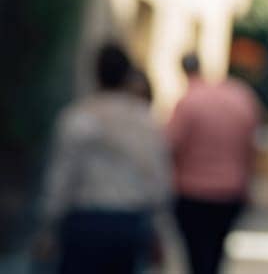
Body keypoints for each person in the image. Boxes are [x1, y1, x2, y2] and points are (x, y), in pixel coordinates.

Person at [37, 42, 172, 274]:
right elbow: (158, 179)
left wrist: (49, 225)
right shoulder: (145, 121)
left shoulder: (78, 117)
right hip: (128, 223)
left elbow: (61, 176)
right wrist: (158, 227)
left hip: (84, 222)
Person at [166, 51, 261, 274]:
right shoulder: (239, 96)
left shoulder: (187, 102)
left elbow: (171, 146)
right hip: (230, 191)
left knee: (196, 255)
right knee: (216, 252)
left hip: (192, 191)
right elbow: (252, 145)